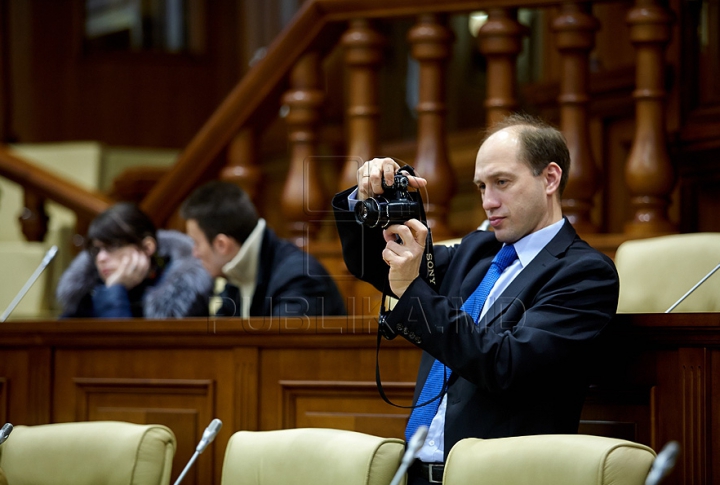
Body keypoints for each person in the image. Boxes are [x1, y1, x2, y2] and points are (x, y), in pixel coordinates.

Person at [332, 113, 619, 485]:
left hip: (500, 477)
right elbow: (377, 266)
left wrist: (411, 291)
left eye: (502, 182)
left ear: (550, 178)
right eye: (481, 186)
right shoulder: (477, 251)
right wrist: (369, 196)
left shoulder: (584, 274)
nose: (488, 201)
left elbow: (505, 364)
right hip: (415, 473)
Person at [180, 181, 346, 318]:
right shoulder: (234, 274)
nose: (195, 253)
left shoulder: (299, 277)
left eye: (196, 243)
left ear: (222, 244)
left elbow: (281, 353)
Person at [57, 202, 213, 318]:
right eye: (97, 250)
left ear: (147, 248)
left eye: (112, 247)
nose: (101, 258)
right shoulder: (86, 294)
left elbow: (125, 356)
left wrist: (114, 291)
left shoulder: (181, 297)